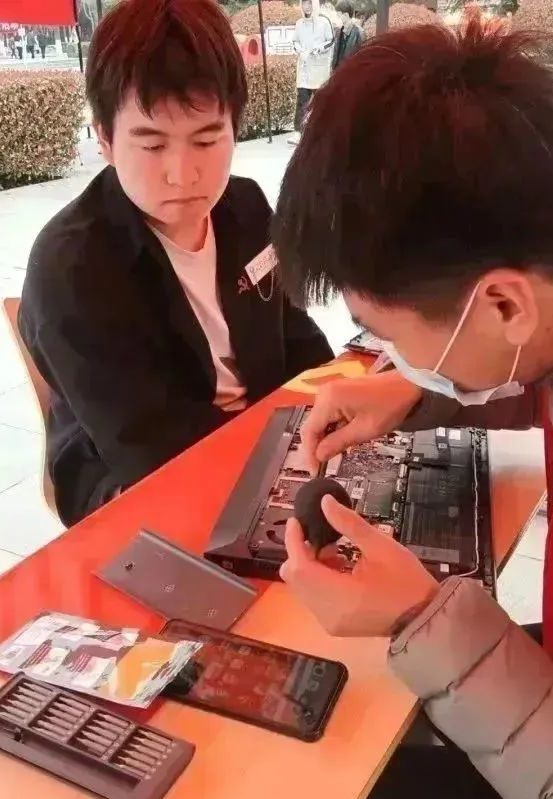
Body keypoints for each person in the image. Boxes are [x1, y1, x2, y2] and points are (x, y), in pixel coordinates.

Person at [271, 18, 553, 799]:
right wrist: (414, 388)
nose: (386, 355)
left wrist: (421, 615)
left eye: (386, 336)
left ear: (503, 304)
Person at [19, 0, 333, 528]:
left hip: (265, 436)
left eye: (207, 139)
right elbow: (146, 445)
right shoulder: (73, 266)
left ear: (235, 127)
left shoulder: (246, 207)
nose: (183, 174)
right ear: (104, 139)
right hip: (135, 477)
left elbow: (298, 338)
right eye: (152, 144)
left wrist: (334, 406)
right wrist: (279, 450)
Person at [288, 0, 334, 145]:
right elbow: (295, 41)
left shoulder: (324, 22)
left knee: (321, 101)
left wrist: (319, 48)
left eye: (309, 3)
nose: (306, 7)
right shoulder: (299, 24)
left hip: (319, 67)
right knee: (302, 100)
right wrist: (299, 49)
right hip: (304, 67)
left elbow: (331, 40)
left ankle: (325, 131)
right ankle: (298, 132)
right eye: (304, 3)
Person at [331, 0, 364, 71]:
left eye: (338, 14)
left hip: (351, 71)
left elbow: (362, 56)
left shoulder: (359, 32)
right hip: (338, 71)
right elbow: (336, 54)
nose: (337, 17)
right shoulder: (339, 31)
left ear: (346, 15)